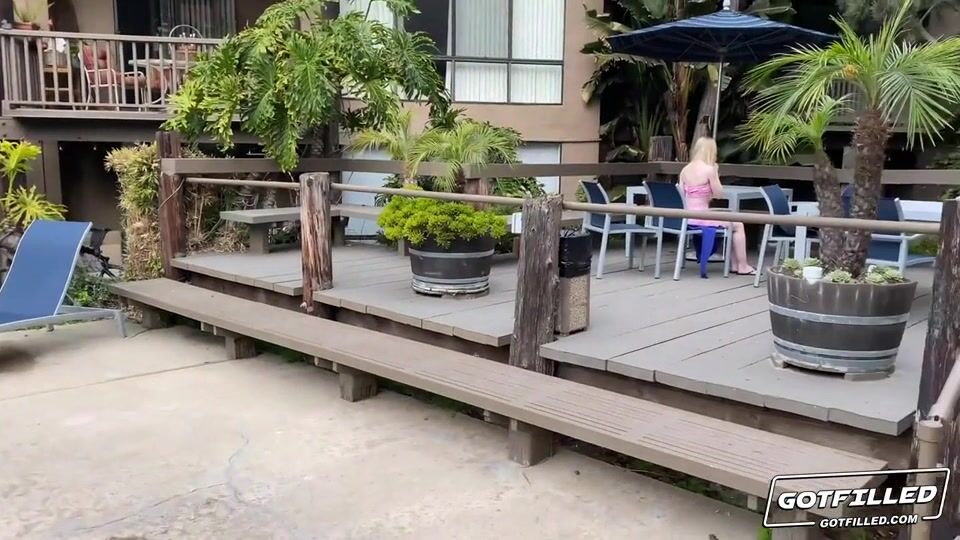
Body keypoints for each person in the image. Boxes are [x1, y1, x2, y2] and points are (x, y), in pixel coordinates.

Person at [678, 137, 756, 276]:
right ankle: (742, 265)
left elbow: (683, 194)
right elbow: (719, 194)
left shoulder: (685, 170)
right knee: (738, 225)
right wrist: (716, 173)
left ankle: (735, 265)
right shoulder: (709, 170)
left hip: (688, 217)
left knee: (731, 222)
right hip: (702, 217)